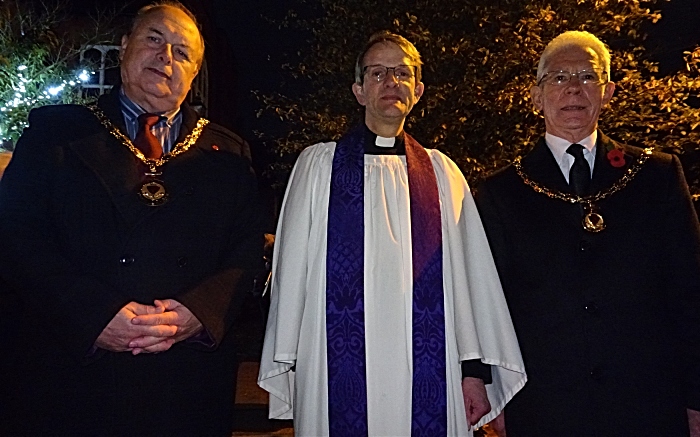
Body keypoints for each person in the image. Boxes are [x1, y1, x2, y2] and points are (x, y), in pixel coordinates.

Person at [0, 1, 261, 435]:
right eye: (155, 40)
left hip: (184, 381)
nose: (166, 57)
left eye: (183, 53)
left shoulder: (229, 154)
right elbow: (16, 237)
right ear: (124, 47)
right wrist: (93, 314)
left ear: (194, 74)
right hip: (70, 373)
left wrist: (198, 312)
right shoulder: (55, 135)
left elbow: (247, 249)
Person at [258, 31, 526, 436]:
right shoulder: (318, 168)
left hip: (432, 368)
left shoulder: (442, 175)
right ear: (359, 89)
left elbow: (470, 285)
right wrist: (290, 361)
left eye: (401, 73)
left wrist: (473, 373)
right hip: (333, 369)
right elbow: (291, 277)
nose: (390, 82)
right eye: (378, 72)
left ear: (417, 91)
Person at [475, 30, 700, 436]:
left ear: (608, 91)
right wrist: (492, 392)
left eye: (588, 76)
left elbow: (691, 292)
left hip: (650, 402)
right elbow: (488, 303)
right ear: (535, 95)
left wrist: (697, 396)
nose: (574, 88)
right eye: (559, 78)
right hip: (545, 406)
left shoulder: (657, 177)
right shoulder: (500, 192)